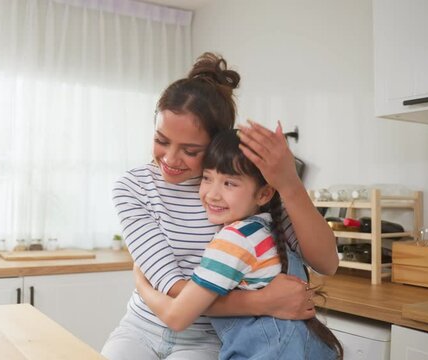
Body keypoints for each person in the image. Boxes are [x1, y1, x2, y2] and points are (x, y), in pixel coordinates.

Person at [101, 52, 338, 360]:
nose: (171, 159)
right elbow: (173, 288)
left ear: (216, 145)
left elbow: (326, 263)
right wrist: (263, 302)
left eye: (190, 150)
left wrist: (289, 183)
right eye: (161, 140)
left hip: (213, 341)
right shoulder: (132, 187)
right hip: (141, 327)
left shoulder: (245, 194)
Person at [133, 129, 343, 359]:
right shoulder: (268, 228)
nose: (212, 194)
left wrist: (142, 283)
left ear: (264, 194)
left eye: (229, 183)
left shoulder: (234, 240)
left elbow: (177, 317)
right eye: (207, 177)